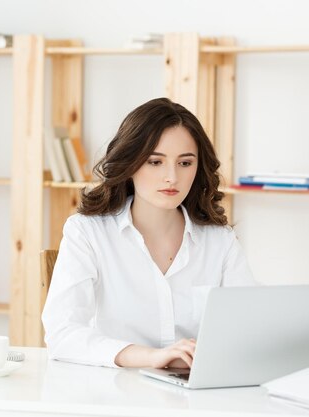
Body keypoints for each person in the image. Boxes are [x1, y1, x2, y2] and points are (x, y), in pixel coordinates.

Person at [41, 97, 256, 369]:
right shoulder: (87, 232)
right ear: (130, 164)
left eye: (185, 163)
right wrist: (152, 357)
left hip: (193, 397)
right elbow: (62, 334)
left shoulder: (219, 240)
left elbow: (250, 327)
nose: (172, 177)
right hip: (113, 393)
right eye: (155, 162)